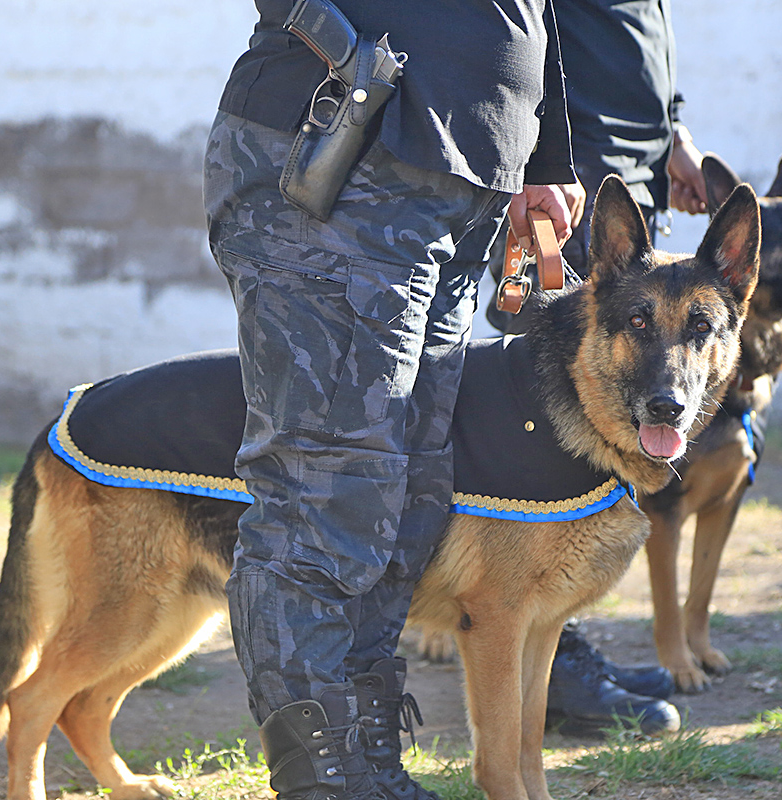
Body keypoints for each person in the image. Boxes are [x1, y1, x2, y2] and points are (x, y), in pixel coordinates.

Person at [203, 3, 574, 800]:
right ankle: (325, 782)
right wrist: (348, 52)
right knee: (325, 498)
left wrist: (543, 154)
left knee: (405, 506)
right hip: (343, 149)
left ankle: (369, 767)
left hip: (465, 181)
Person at [486, 0, 710, 734]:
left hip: (629, 160)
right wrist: (538, 158)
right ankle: (547, 653)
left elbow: (639, 25)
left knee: (611, 440)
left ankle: (559, 639)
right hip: (573, 170)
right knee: (549, 435)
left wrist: (669, 128)